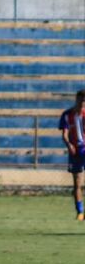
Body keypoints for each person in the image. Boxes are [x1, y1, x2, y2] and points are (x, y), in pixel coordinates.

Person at [58, 89, 85, 220]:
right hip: (75, 151)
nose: (83, 104)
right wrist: (69, 145)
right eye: (81, 100)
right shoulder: (67, 115)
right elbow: (64, 134)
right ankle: (80, 211)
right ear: (77, 99)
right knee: (77, 182)